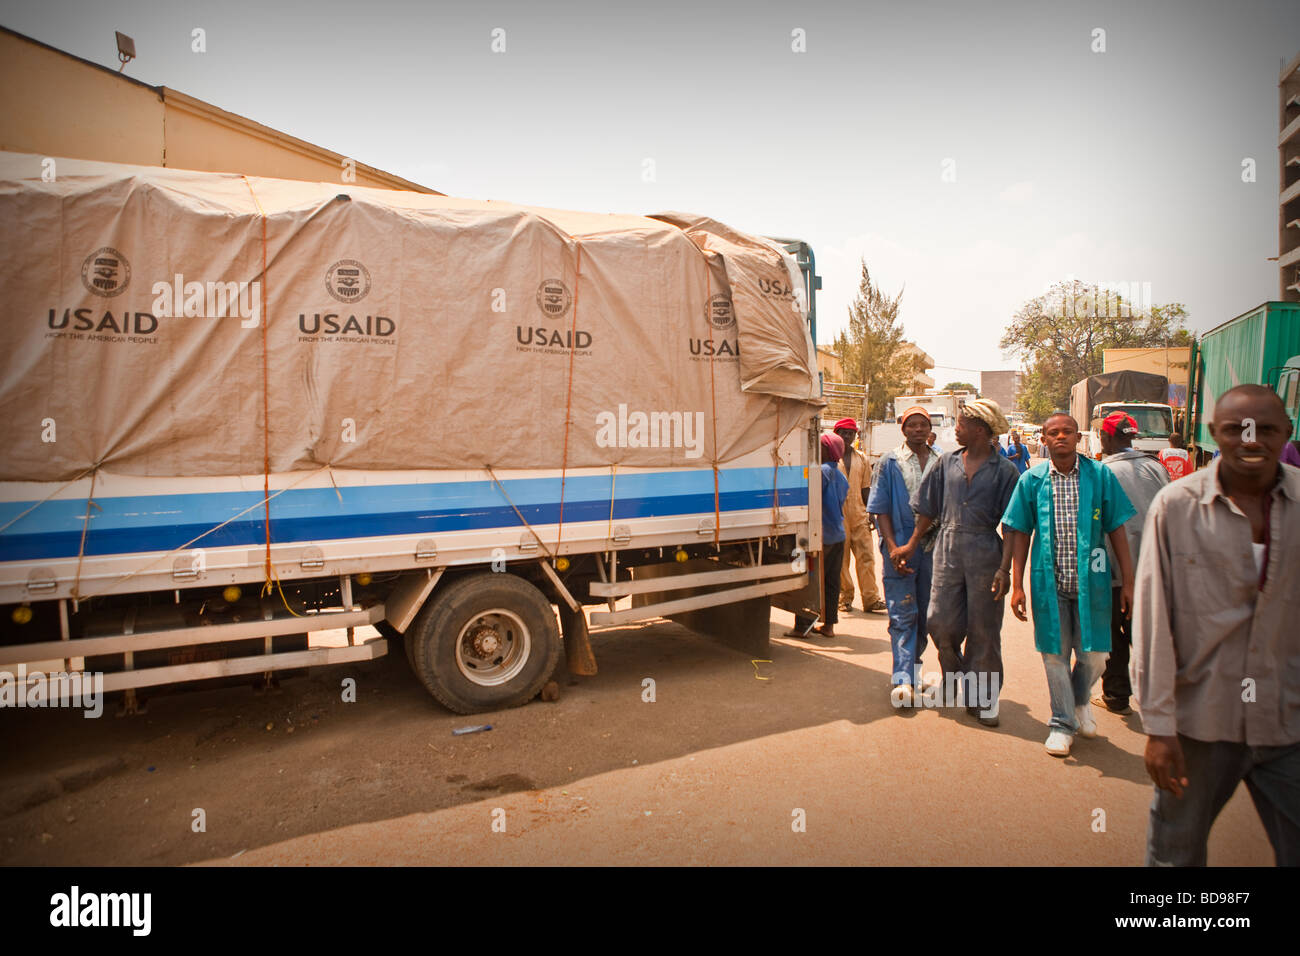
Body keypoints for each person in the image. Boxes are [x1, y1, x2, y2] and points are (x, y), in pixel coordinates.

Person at [1132, 384, 1300, 866]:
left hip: (1288, 722)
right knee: (1176, 853)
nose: (1251, 440)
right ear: (1212, 435)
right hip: (1200, 726)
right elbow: (1153, 620)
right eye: (1235, 429)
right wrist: (1159, 728)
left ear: (1287, 432)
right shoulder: (1177, 506)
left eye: (1266, 429)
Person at [1002, 412, 1136, 758]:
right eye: (1053, 433)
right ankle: (1062, 724)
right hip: (1050, 583)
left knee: (1096, 655)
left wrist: (1130, 582)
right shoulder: (1032, 480)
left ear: (1079, 438)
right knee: (1054, 655)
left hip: (1093, 582)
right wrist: (1017, 585)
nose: (1060, 437)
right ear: (1043, 440)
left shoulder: (1100, 476)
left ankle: (1078, 702)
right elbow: (1018, 532)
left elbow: (1117, 528)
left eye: (1067, 432)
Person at [898, 399, 1020, 725]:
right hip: (946, 548)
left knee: (984, 630)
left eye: (962, 423)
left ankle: (982, 700)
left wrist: (1004, 569)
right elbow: (927, 508)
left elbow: (1012, 526)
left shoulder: (1006, 471)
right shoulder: (946, 463)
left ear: (979, 429)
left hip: (985, 551)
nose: (956, 428)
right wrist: (911, 544)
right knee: (939, 621)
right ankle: (956, 668)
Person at [1095, 411, 1168, 716]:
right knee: (1147, 635)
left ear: (1108, 437)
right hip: (1152, 569)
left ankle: (1116, 696)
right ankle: (1160, 700)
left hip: (1114, 571)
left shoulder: (1101, 473)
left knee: (1114, 633)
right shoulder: (1156, 468)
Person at [867, 407, 940, 709]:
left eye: (923, 425)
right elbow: (880, 507)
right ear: (903, 429)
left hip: (933, 547)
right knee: (901, 613)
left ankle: (913, 669)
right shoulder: (889, 462)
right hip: (897, 543)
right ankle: (902, 680)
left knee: (926, 613)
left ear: (930, 429)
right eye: (912, 425)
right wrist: (894, 547)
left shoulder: (941, 462)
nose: (918, 430)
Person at [788, 432, 849, 639]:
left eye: (820, 446)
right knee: (832, 581)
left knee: (811, 580)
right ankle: (829, 625)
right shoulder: (840, 474)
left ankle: (802, 627)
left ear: (826, 450)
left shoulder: (820, 472)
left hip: (820, 535)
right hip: (838, 534)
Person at [833, 418, 887, 614]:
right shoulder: (830, 458)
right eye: (843, 432)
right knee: (842, 559)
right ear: (836, 433)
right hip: (837, 515)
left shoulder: (862, 459)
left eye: (850, 433)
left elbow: (866, 489)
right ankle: (844, 598)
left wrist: (871, 513)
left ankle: (871, 599)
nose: (847, 436)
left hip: (859, 513)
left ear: (855, 435)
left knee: (866, 556)